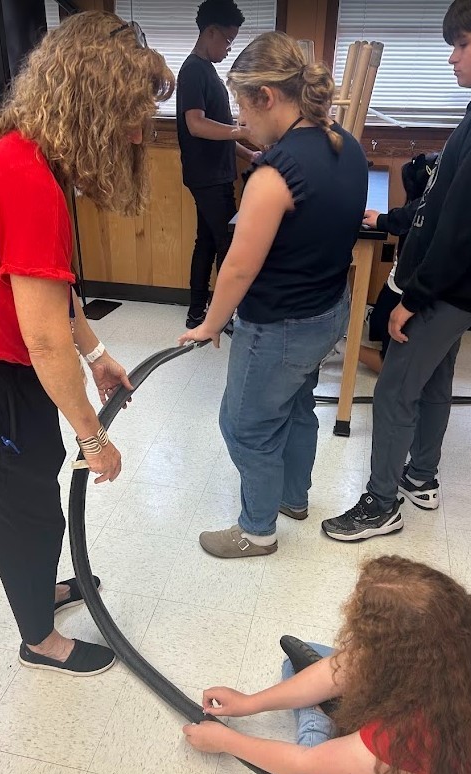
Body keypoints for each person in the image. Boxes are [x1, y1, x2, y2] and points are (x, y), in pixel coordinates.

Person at [0, 12, 174, 675]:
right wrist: (94, 436)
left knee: (36, 492)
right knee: (23, 515)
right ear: (91, 102)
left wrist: (97, 354)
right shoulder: (27, 181)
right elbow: (43, 340)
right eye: (129, 114)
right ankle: (40, 639)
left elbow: (54, 299)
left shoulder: (31, 160)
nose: (137, 132)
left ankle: (41, 587)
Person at [322, 0, 471, 542]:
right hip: (464, 285)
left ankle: (381, 503)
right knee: (434, 376)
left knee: (393, 390)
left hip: (450, 287)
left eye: (462, 45)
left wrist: (415, 293)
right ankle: (420, 476)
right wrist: (396, 223)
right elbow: (443, 201)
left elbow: (466, 222)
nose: (453, 59)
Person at [182, 555, 471, 774]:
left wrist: (226, 741)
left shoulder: (424, 729)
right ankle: (341, 743)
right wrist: (249, 703)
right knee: (303, 663)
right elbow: (345, 665)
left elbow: (307, 768)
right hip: (431, 761)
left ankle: (325, 726)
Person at [179, 31, 367, 558]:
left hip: (280, 325)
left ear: (267, 97)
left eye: (242, 106)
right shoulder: (345, 145)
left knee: (245, 424)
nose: (241, 121)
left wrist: (210, 324)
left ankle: (257, 530)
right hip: (328, 311)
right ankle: (292, 498)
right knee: (298, 406)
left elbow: (237, 268)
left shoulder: (273, 174)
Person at [177, 0, 259, 329]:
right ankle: (220, 315)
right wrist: (241, 130)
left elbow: (219, 131)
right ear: (210, 32)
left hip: (216, 173)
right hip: (208, 177)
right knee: (228, 242)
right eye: (227, 40)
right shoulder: (193, 70)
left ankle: (197, 311)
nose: (228, 48)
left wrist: (248, 153)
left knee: (208, 241)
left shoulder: (207, 70)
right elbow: (196, 125)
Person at [358, 153, 439, 375]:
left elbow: (388, 366)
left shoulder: (431, 208)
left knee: (391, 364)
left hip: (411, 285)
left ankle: (341, 347)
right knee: (378, 322)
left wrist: (345, 349)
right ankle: (371, 323)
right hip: (400, 279)